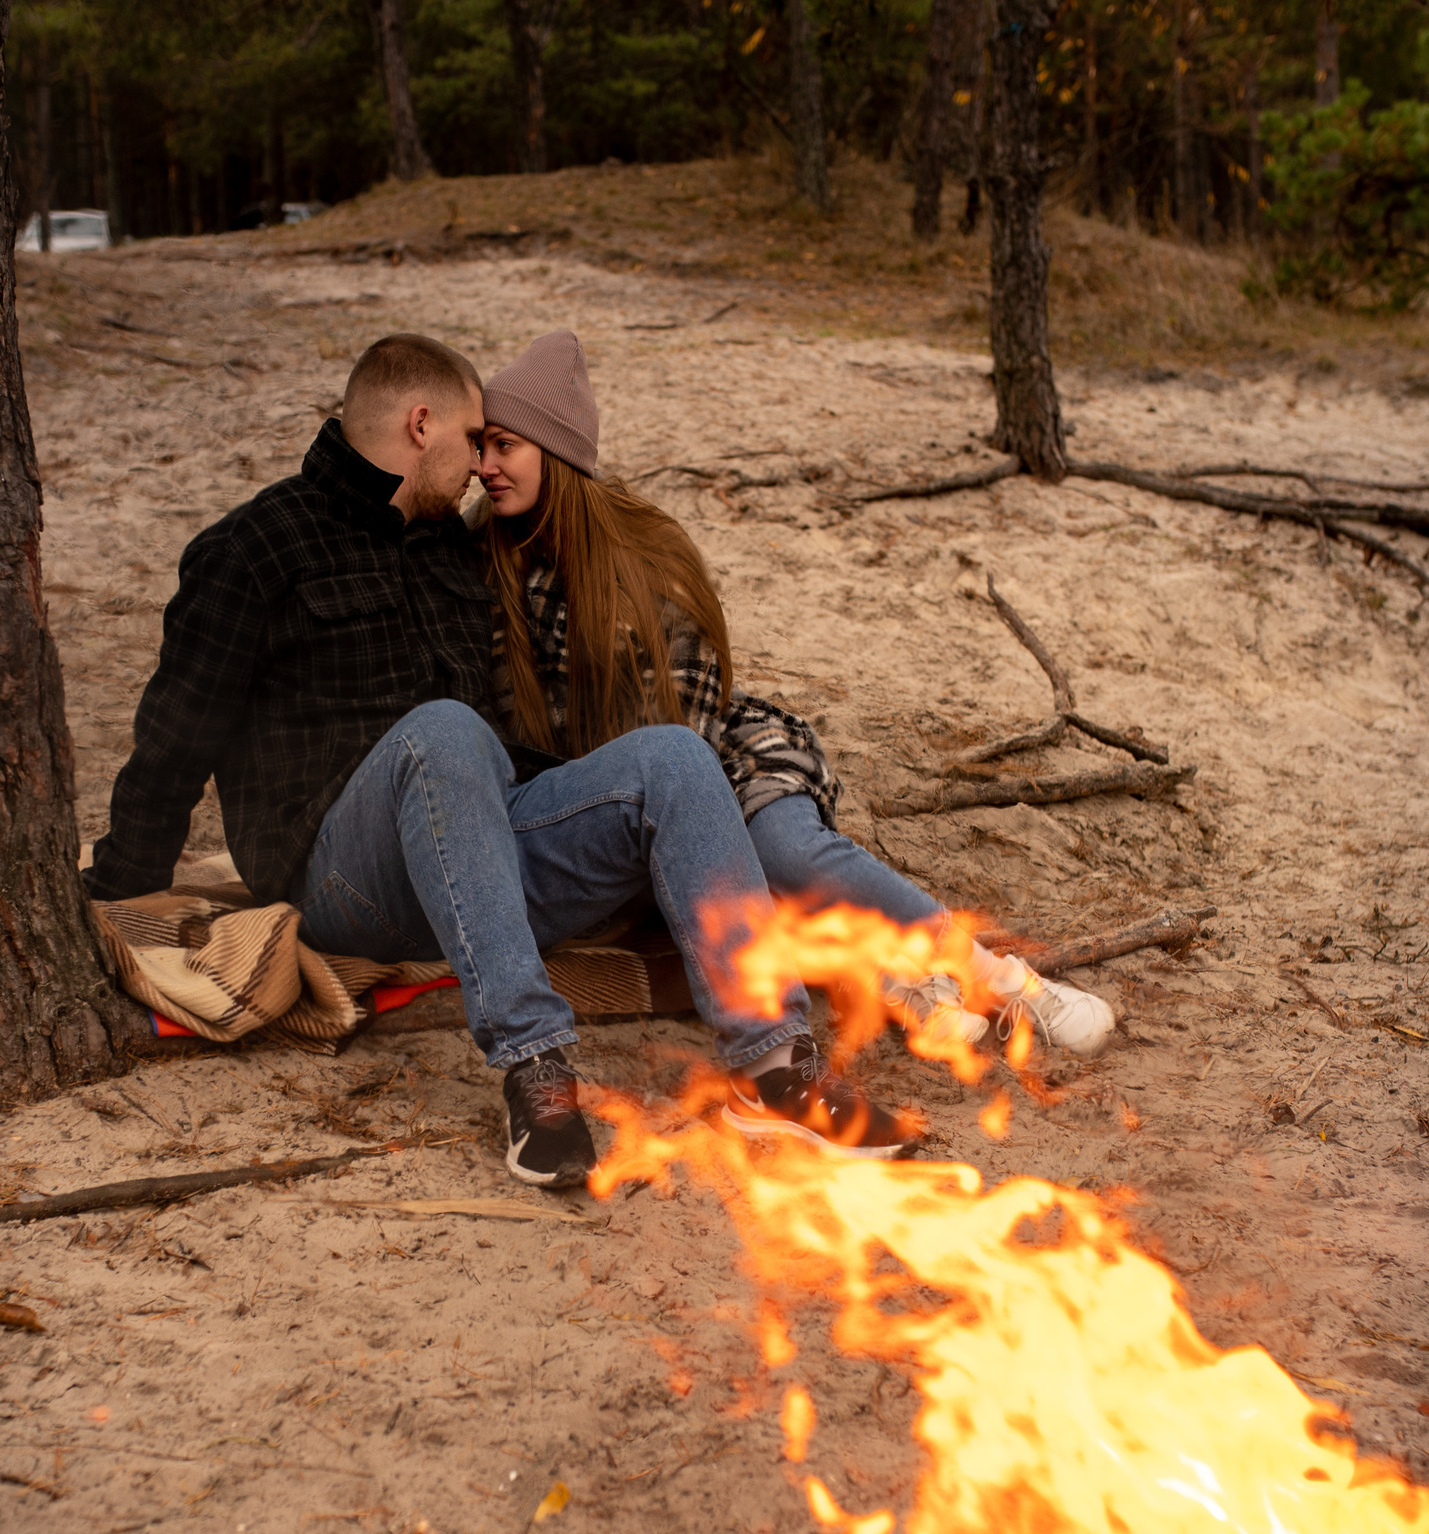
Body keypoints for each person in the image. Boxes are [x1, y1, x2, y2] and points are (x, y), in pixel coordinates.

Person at [84, 333, 912, 1191]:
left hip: (484, 850)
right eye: (474, 439)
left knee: (671, 756)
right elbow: (174, 737)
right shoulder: (253, 550)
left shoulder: (451, 544)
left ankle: (774, 1067)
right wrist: (120, 884)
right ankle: (536, 1066)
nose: (481, 467)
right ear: (421, 425)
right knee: (442, 730)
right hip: (346, 882)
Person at [474, 331, 1117, 1057]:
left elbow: (685, 733)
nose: (485, 466)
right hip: (602, 803)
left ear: (556, 451)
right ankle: (879, 972)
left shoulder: (645, 558)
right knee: (694, 886)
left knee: (781, 849)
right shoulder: (480, 558)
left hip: (714, 755)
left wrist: (663, 819)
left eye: (505, 446)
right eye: (481, 447)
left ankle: (1001, 976)